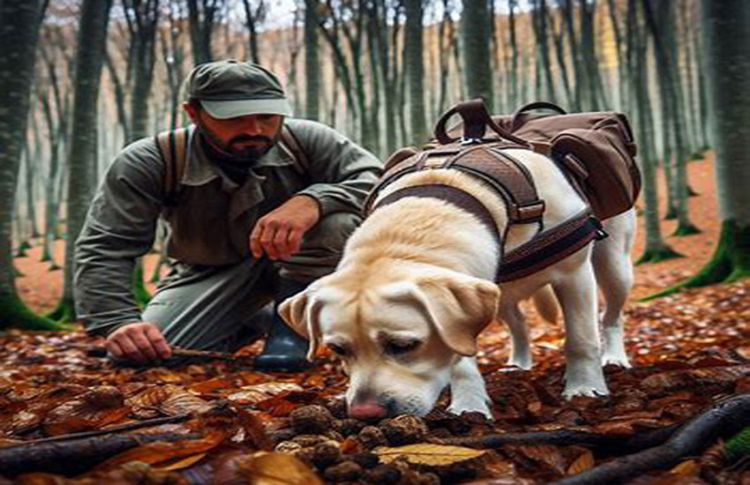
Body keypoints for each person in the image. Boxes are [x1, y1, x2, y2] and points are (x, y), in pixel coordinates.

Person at [74, 60, 383, 372]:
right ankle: (266, 316)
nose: (254, 129)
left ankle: (290, 335)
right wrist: (116, 320)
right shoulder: (152, 160)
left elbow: (380, 181)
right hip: (212, 276)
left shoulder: (309, 140)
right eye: (234, 118)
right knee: (152, 353)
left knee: (337, 223)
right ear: (194, 113)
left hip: (312, 267)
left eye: (266, 116)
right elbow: (107, 245)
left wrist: (314, 200)